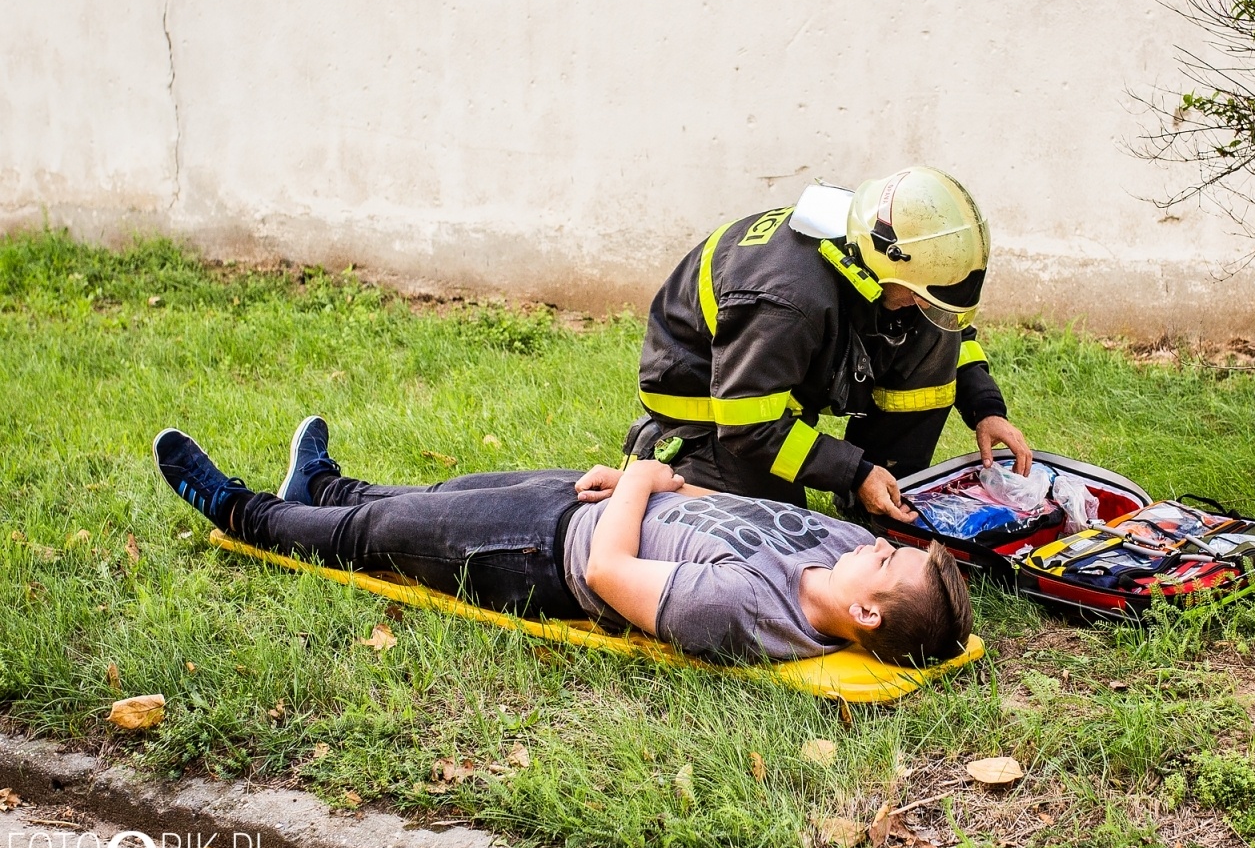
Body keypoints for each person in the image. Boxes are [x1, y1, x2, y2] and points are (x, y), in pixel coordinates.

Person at [153, 417, 973, 666]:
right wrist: (664, 483)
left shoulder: (745, 613)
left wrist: (642, 479)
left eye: (889, 560)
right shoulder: (836, 545)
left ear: (867, 611)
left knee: (377, 537)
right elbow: (726, 506)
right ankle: (322, 487)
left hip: (542, 552)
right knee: (429, 495)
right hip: (597, 498)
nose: (876, 544)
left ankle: (238, 508)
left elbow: (609, 571)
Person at [633, 166, 1033, 525]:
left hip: (774, 369)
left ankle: (886, 486)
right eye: (919, 294)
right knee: (781, 530)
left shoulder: (878, 251)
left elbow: (951, 333)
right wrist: (853, 472)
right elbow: (746, 423)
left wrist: (985, 410)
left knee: (928, 331)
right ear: (884, 263)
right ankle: (676, 449)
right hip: (714, 402)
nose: (926, 306)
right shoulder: (786, 302)